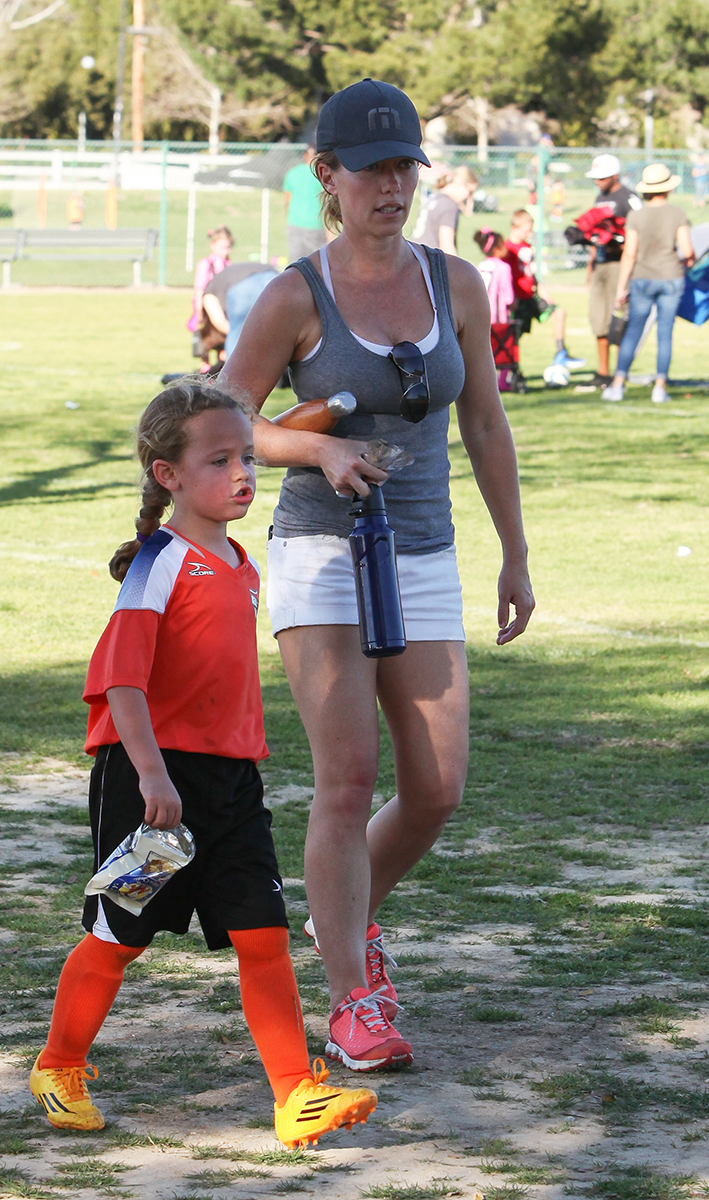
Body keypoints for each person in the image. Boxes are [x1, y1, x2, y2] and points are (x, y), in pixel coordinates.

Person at [218, 78, 535, 1071]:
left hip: (427, 552)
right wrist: (314, 452)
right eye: (371, 170)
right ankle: (353, 999)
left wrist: (513, 549)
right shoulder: (291, 294)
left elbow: (482, 418)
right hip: (320, 552)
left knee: (436, 788)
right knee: (348, 780)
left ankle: (336, 921)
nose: (391, 187)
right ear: (327, 177)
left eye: (404, 167)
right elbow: (220, 427)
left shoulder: (456, 282)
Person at [28, 381, 377, 1145]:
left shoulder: (243, 565)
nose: (243, 473)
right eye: (219, 460)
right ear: (169, 476)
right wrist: (151, 774)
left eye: (247, 456)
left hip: (231, 787)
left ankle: (295, 1096)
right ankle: (58, 1065)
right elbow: (121, 680)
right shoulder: (158, 562)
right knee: (119, 934)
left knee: (262, 937)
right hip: (150, 782)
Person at [602, 164, 694, 405]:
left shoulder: (637, 215)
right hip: (671, 278)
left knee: (633, 331)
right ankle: (660, 387)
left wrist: (622, 287)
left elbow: (629, 254)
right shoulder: (677, 213)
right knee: (665, 334)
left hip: (641, 279)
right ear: (667, 189)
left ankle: (618, 385)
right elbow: (687, 251)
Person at [584, 153, 642, 387]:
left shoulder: (629, 198)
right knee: (598, 317)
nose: (597, 181)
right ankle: (602, 371)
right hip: (601, 262)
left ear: (615, 175)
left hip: (620, 263)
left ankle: (620, 371)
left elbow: (639, 228)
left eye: (602, 177)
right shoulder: (600, 197)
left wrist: (620, 241)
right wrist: (590, 262)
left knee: (618, 319)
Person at [504, 209, 585, 369]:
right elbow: (506, 278)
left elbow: (532, 274)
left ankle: (561, 353)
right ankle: (509, 369)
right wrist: (510, 299)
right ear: (515, 227)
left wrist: (544, 293)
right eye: (526, 230)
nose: (529, 233)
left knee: (559, 312)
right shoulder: (508, 249)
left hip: (531, 298)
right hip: (517, 301)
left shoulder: (526, 246)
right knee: (513, 337)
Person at [202, 261, 279, 358]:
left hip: (245, 286)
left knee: (237, 337)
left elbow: (219, 321)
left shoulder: (209, 292)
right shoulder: (221, 280)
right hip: (275, 277)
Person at [188, 226, 233, 370]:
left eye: (228, 247)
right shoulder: (206, 264)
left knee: (223, 348)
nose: (227, 251)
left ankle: (219, 374)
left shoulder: (228, 265)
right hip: (208, 311)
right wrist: (199, 312)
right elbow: (199, 289)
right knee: (205, 349)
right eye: (223, 247)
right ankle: (206, 375)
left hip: (223, 310)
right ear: (213, 245)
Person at [413, 165, 478, 255]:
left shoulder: (432, 198)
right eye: (469, 192)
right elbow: (447, 246)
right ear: (460, 184)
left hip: (416, 255)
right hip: (431, 260)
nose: (469, 197)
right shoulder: (449, 205)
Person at [283, 146, 327, 261]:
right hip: (316, 224)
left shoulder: (293, 172)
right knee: (317, 264)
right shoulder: (321, 174)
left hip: (295, 223)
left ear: (304, 156)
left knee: (295, 264)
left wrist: (289, 216)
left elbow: (287, 199)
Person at [474, 228, 515, 323]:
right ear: (496, 249)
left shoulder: (480, 266)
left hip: (482, 318)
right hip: (499, 320)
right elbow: (509, 299)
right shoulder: (504, 267)